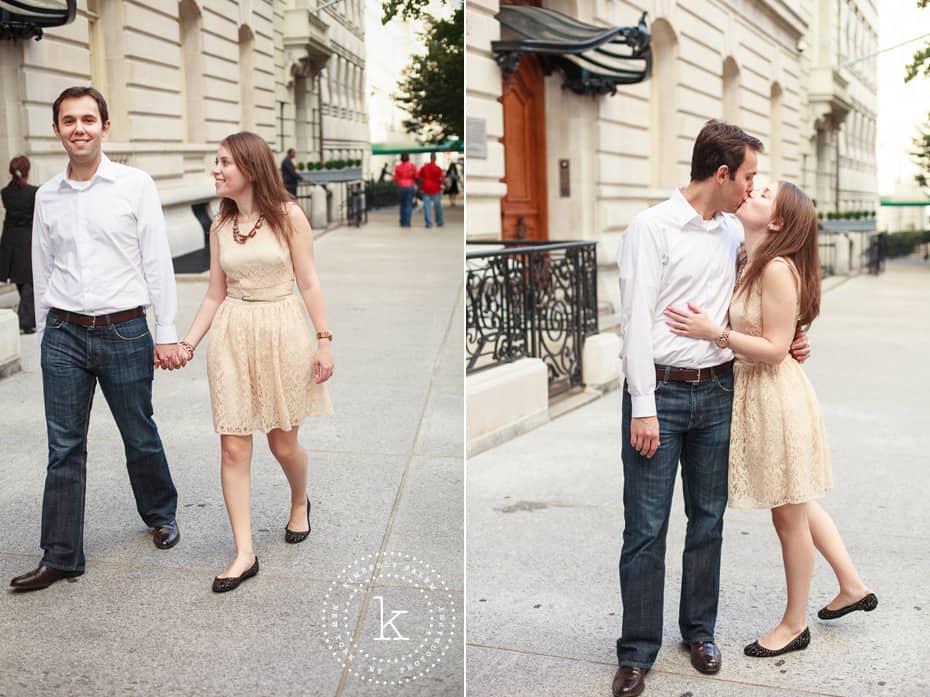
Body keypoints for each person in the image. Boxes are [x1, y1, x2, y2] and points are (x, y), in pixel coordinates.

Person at [612, 120, 810, 697]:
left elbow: (763, 303)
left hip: (719, 391)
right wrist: (643, 408)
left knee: (708, 522)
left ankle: (699, 632)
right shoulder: (650, 228)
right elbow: (635, 324)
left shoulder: (732, 235)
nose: (752, 187)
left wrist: (794, 338)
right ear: (721, 174)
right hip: (661, 395)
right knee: (646, 529)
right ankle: (636, 652)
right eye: (748, 176)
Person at [664, 181, 876, 658]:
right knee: (795, 498)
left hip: (776, 399)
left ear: (776, 222)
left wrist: (714, 332)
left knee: (788, 515)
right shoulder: (748, 258)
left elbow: (777, 349)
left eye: (762, 195)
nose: (751, 191)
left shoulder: (776, 269)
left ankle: (794, 624)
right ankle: (851, 584)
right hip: (759, 393)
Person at [9, 86, 182, 593]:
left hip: (125, 329)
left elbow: (156, 262)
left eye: (88, 119)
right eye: (69, 120)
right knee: (64, 447)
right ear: (57, 129)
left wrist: (165, 332)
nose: (79, 128)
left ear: (105, 127)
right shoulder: (46, 196)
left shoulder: (135, 185)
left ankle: (161, 513)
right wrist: (43, 333)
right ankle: (61, 555)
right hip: (64, 332)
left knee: (138, 432)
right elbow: (42, 267)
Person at [168, 131, 334, 593]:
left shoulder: (288, 217)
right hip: (232, 336)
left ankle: (300, 500)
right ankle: (244, 552)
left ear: (252, 168)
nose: (216, 170)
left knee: (283, 445)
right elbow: (214, 293)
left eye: (224, 163)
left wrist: (324, 341)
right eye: (215, 162)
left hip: (283, 330)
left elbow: (310, 283)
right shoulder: (219, 226)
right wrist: (187, 344)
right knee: (234, 447)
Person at [1, 155, 38, 334]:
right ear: (27, 171)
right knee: (29, 282)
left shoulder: (5, 193)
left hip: (11, 242)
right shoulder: (33, 192)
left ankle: (27, 318)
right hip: (28, 241)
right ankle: (26, 320)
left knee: (22, 281)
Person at [417, 153, 445, 229]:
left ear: (430, 158)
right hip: (435, 188)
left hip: (426, 188)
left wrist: (420, 187)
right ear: (435, 158)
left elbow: (419, 177)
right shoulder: (438, 168)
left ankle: (429, 223)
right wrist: (445, 185)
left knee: (427, 207)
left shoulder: (424, 167)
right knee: (437, 206)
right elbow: (441, 179)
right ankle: (439, 221)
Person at [393, 152, 417, 228]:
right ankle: (407, 222)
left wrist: (399, 182)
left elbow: (395, 178)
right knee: (408, 205)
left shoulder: (398, 167)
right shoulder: (412, 166)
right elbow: (416, 176)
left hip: (401, 186)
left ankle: (402, 222)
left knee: (402, 205)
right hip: (410, 186)